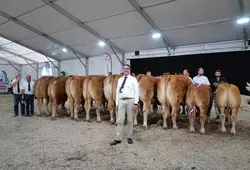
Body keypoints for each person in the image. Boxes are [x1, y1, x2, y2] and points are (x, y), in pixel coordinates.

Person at [110, 64, 139, 145]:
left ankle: (129, 136)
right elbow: (117, 92)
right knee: (120, 120)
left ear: (129, 70)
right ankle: (118, 138)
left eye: (127, 69)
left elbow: (137, 91)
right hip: (121, 101)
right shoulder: (120, 80)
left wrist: (136, 103)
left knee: (130, 120)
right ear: (123, 70)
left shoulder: (133, 79)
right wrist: (117, 103)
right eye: (124, 69)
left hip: (130, 100)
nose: (125, 70)